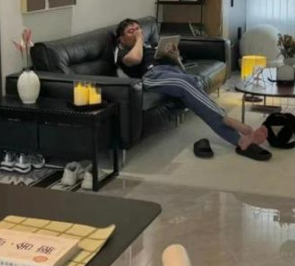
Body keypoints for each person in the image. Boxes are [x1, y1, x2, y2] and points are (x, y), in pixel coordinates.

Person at [114, 19, 270, 160]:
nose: (137, 32)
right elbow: (134, 59)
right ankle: (226, 119)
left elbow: (178, 66)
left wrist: (175, 56)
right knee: (185, 84)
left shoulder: (150, 46)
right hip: (151, 77)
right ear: (121, 39)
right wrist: (139, 39)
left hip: (171, 72)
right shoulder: (123, 52)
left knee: (195, 93)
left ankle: (240, 140)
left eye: (138, 29)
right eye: (131, 31)